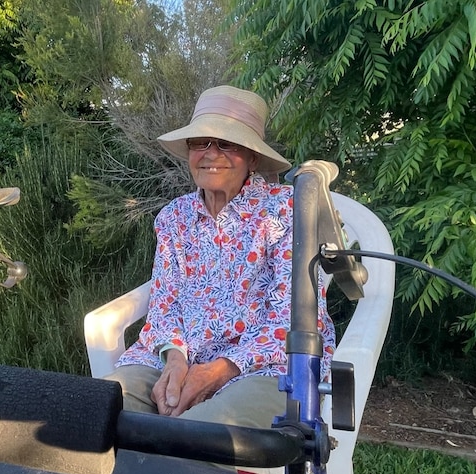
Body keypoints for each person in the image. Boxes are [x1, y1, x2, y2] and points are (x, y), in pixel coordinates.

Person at [104, 86, 336, 430]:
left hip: (265, 367)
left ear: (252, 158)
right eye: (200, 142)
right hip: (176, 361)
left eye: (226, 143)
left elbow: (293, 318)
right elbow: (165, 306)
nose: (211, 154)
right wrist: (175, 361)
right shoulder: (174, 217)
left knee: (195, 437)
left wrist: (220, 369)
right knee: (99, 410)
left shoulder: (287, 210)